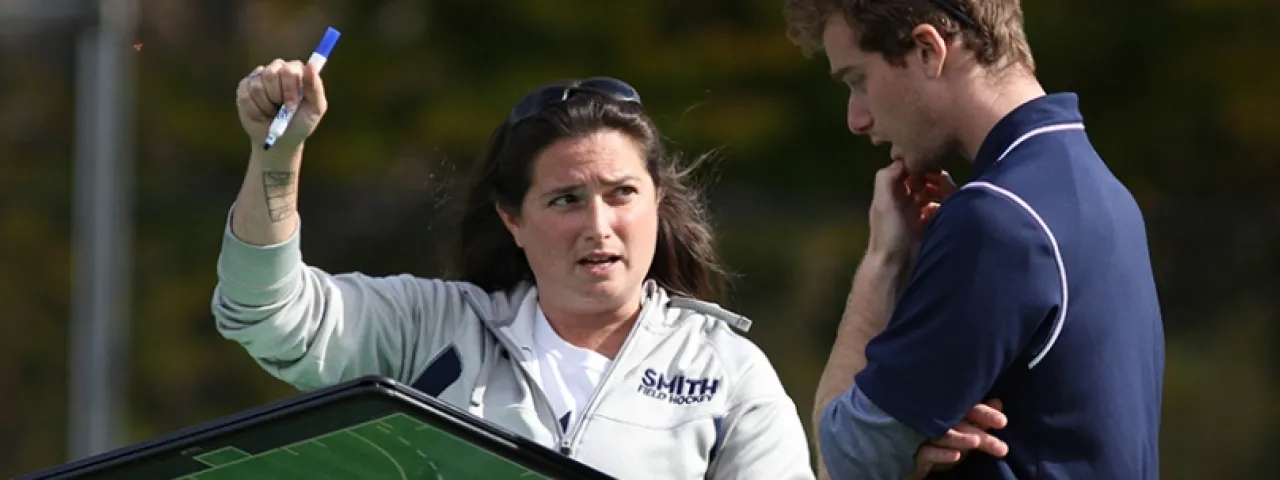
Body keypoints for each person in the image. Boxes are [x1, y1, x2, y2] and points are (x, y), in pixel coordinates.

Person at [214, 58, 817, 478]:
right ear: (512, 219)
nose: (598, 225)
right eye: (566, 200)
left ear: (657, 200)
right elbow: (266, 311)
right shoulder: (436, 327)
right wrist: (278, 154)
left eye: (622, 194)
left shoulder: (727, 370)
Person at [782, 0, 1165, 479]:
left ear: (927, 50)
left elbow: (842, 462)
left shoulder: (996, 221)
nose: (856, 118)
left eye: (859, 80)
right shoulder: (1102, 189)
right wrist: (913, 432)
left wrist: (883, 263)